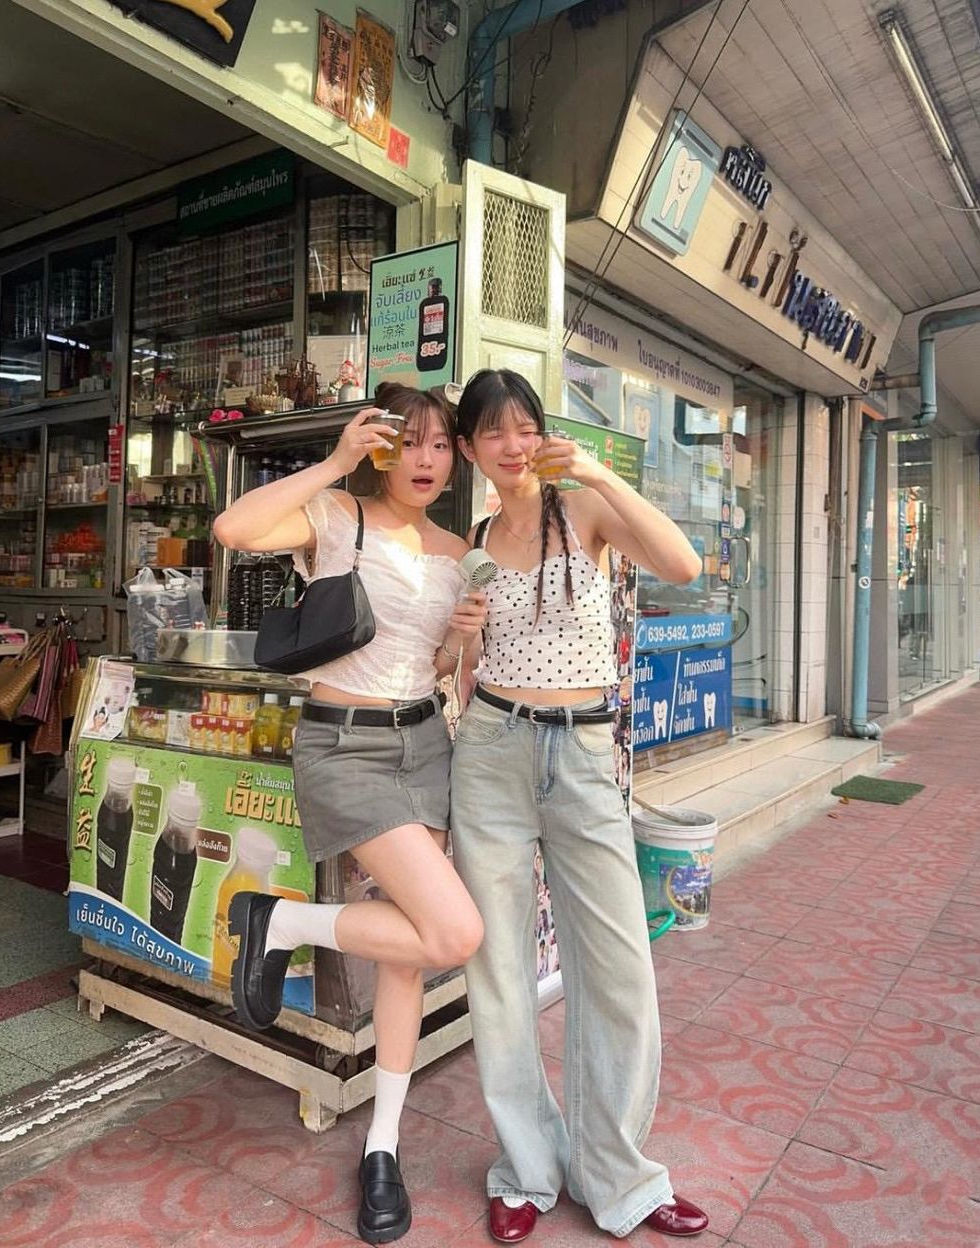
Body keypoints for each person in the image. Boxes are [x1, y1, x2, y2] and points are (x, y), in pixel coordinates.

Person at [212, 383, 486, 1246]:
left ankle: (382, 1144)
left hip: (426, 743)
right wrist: (332, 462)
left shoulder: (458, 550)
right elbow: (233, 529)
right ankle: (280, 921)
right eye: (410, 442)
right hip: (343, 745)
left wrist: (463, 640)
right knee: (452, 934)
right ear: (381, 448)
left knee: (408, 953)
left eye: (440, 445)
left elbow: (442, 668)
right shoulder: (336, 517)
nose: (425, 461)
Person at [451, 369, 709, 1243]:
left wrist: (599, 472)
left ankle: (618, 1174)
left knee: (619, 967)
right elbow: (466, 663)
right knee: (499, 969)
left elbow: (682, 564)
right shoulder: (475, 538)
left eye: (525, 426)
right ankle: (526, 1169)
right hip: (491, 750)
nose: (513, 445)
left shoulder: (586, 510)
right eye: (493, 432)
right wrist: (461, 638)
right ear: (468, 449)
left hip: (586, 752)